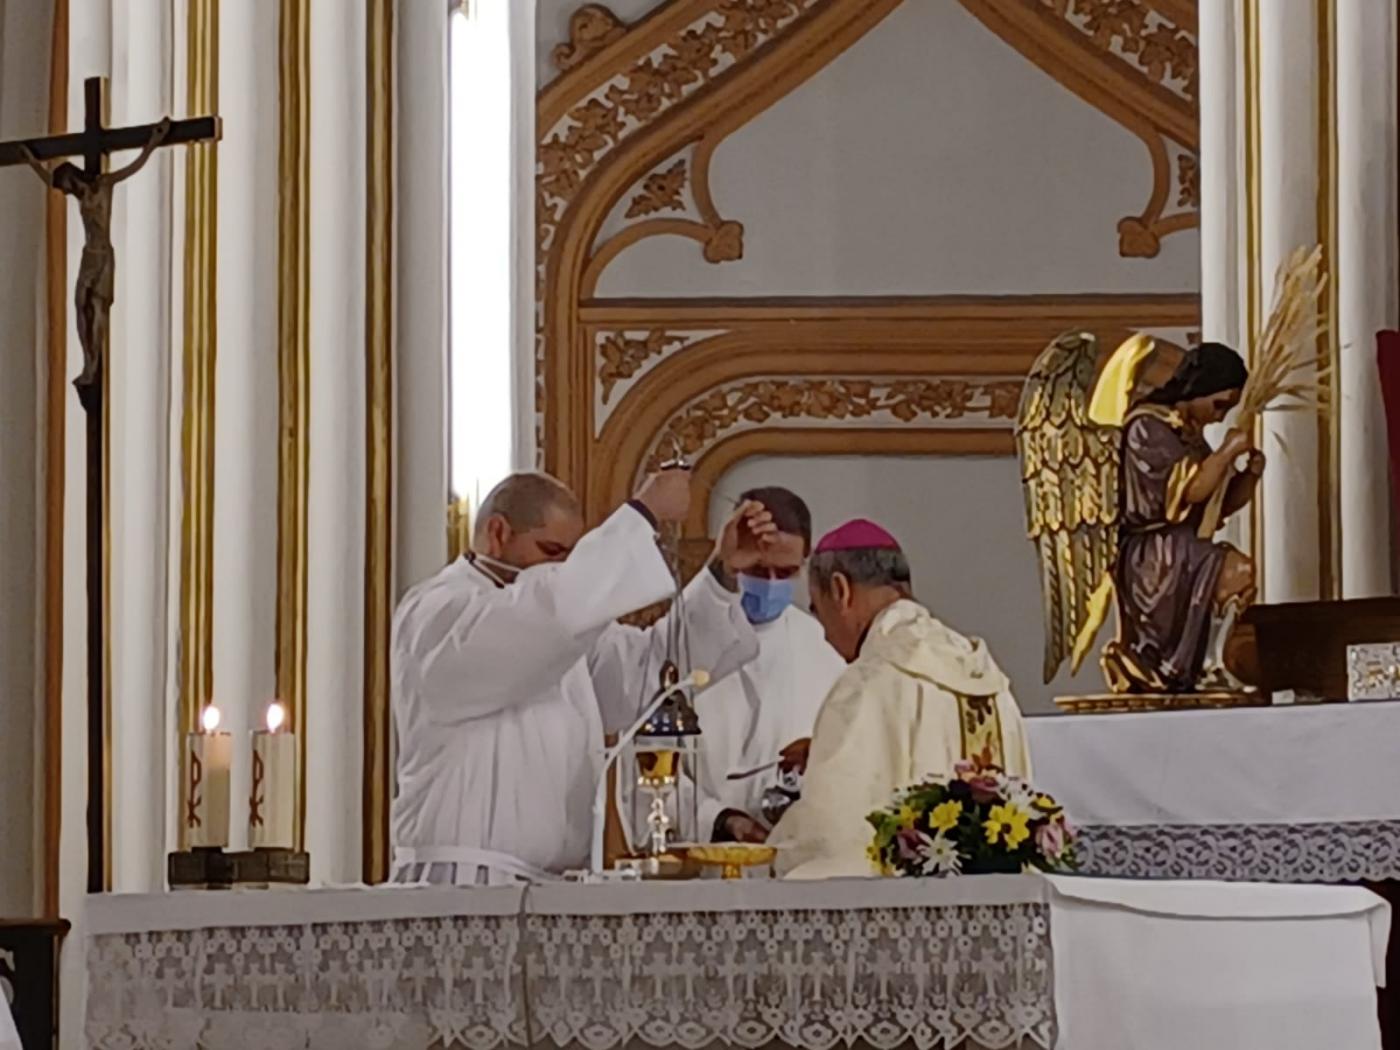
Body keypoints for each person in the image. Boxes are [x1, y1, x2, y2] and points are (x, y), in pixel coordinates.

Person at [390, 469, 774, 884]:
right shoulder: (441, 612)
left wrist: (721, 573)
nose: (561, 569)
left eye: (570, 558)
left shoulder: (557, 628)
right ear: (498, 533)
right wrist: (643, 512)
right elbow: (550, 613)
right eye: (551, 551)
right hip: (462, 882)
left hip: (551, 884)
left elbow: (647, 672)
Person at [768, 519, 1032, 879]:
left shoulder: (870, 682)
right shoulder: (987, 678)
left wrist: (770, 852)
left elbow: (828, 839)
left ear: (841, 590)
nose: (826, 636)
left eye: (817, 609)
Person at [688, 487, 845, 844]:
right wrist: (720, 819)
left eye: (786, 572)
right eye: (758, 569)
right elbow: (649, 766)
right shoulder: (684, 638)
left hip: (795, 854)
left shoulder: (825, 650)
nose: (771, 584)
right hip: (703, 852)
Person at [1103, 341, 1262, 692]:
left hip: (1184, 549)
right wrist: (1227, 450)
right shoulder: (1147, 427)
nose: (1220, 417)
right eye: (1219, 405)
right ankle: (1198, 662)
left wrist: (1249, 475)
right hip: (1155, 556)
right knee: (1238, 571)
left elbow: (1217, 505)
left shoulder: (1189, 435)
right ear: (1197, 388)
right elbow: (1191, 491)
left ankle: (1211, 662)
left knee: (1240, 574)